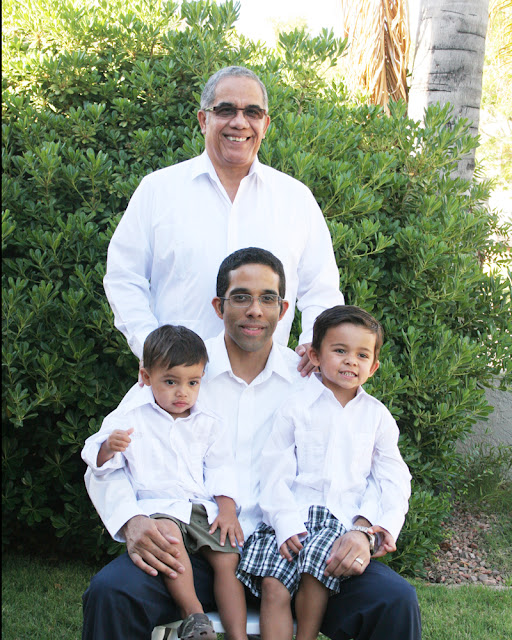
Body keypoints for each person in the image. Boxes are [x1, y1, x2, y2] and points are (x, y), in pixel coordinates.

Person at [82, 248, 421, 640]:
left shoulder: (313, 382)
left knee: (394, 599)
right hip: (199, 550)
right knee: (112, 592)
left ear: (283, 308)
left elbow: (378, 470)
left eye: (268, 298)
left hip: (297, 548)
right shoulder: (180, 370)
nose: (255, 310)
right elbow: (105, 458)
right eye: (241, 297)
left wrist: (364, 530)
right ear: (219, 306)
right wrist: (132, 520)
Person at [102, 65, 344, 377]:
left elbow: (321, 289)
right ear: (204, 120)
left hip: (269, 389)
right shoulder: (158, 191)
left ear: (265, 124)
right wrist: (152, 346)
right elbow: (124, 277)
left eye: (252, 112)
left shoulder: (295, 199)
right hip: (179, 389)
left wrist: (313, 343)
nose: (239, 122)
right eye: (226, 110)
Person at [236, 306, 412, 640]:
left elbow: (393, 478)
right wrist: (284, 522)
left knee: (316, 577)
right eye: (340, 351)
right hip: (290, 521)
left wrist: (385, 526)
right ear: (315, 356)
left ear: (373, 367)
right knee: (273, 585)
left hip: (338, 525)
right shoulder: (296, 406)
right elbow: (274, 471)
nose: (351, 361)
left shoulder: (377, 417)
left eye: (362, 355)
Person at [81, 325, 247, 640]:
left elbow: (221, 468)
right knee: (168, 540)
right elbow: (96, 460)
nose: (182, 392)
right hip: (159, 510)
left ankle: (238, 636)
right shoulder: (131, 415)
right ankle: (194, 616)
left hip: (200, 511)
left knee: (228, 557)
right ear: (146, 377)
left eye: (192, 382)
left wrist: (227, 508)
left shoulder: (207, 421)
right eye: (171, 382)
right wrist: (108, 447)